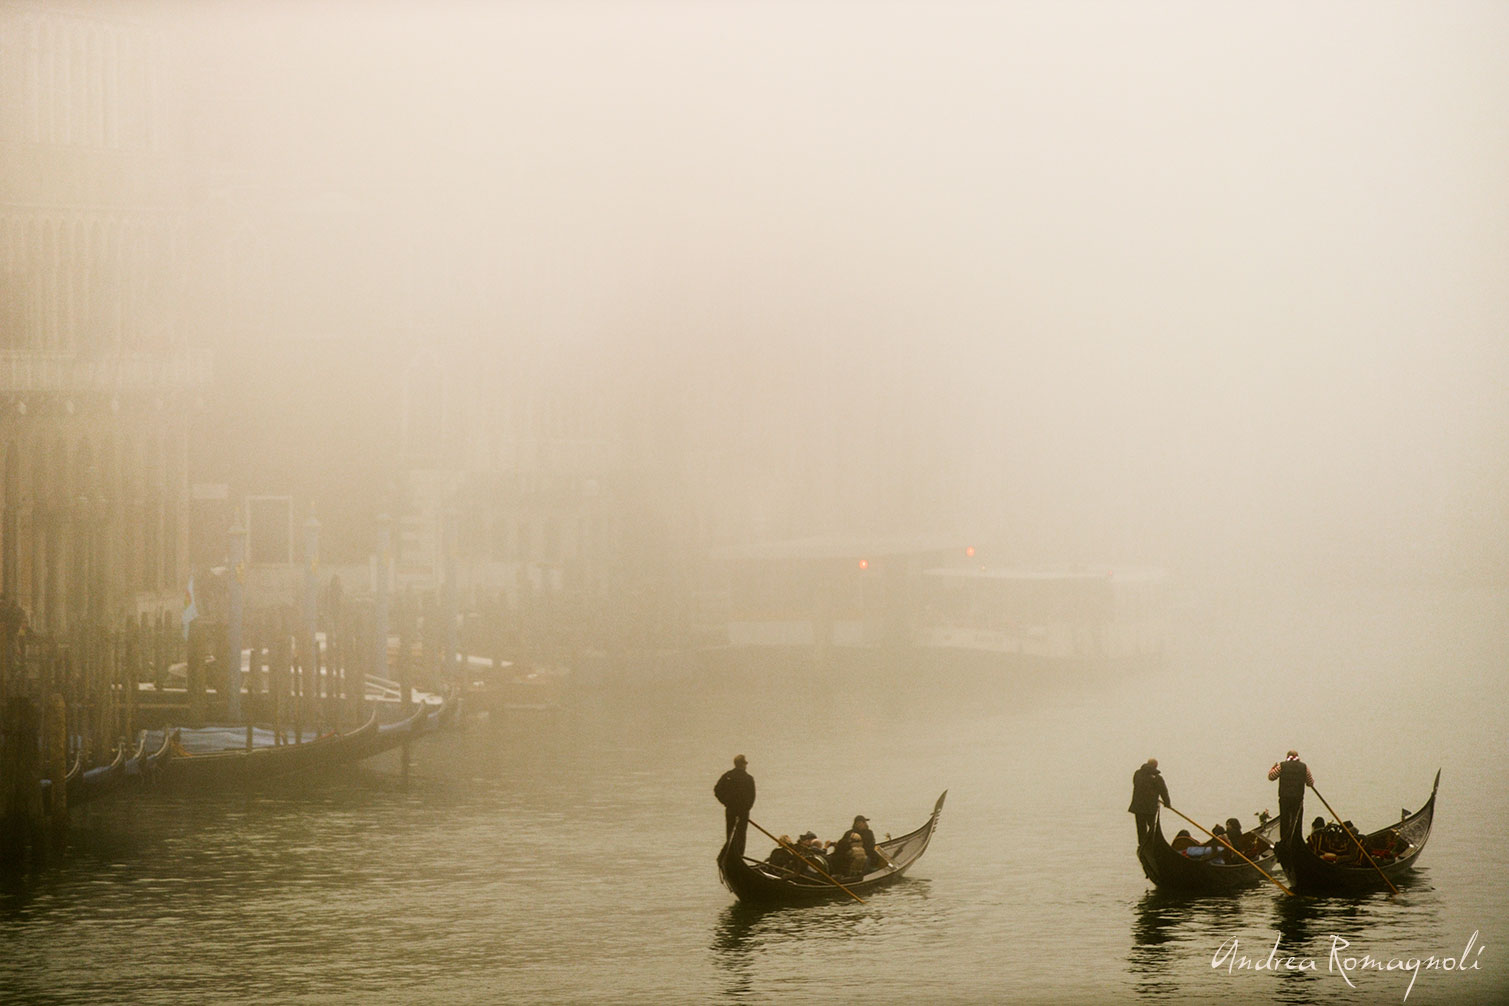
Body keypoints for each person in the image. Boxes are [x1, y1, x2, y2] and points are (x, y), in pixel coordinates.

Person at [1267, 750, 1313, 849]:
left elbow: (1271, 777)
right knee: (1297, 820)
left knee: (1285, 820)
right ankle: (1297, 841)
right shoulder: (1304, 767)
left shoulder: (1281, 766)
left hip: (1284, 799)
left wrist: (1272, 768)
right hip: (1298, 799)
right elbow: (1310, 783)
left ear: (1287, 756)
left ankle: (1284, 841)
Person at [1128, 758, 1170, 844]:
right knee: (1152, 827)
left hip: (1138, 807)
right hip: (1150, 808)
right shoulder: (1157, 778)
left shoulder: (1137, 774)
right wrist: (1167, 803)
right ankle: (1151, 843)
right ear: (1155, 766)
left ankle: (1142, 844)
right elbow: (1163, 791)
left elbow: (1136, 784)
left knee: (1141, 828)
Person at [714, 754, 755, 837]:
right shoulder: (748, 778)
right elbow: (752, 796)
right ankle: (737, 850)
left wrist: (726, 802)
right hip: (742, 812)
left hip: (731, 810)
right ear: (742, 764)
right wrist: (746, 808)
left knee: (730, 834)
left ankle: (730, 850)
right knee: (740, 837)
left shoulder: (728, 776)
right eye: (745, 764)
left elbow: (717, 790)